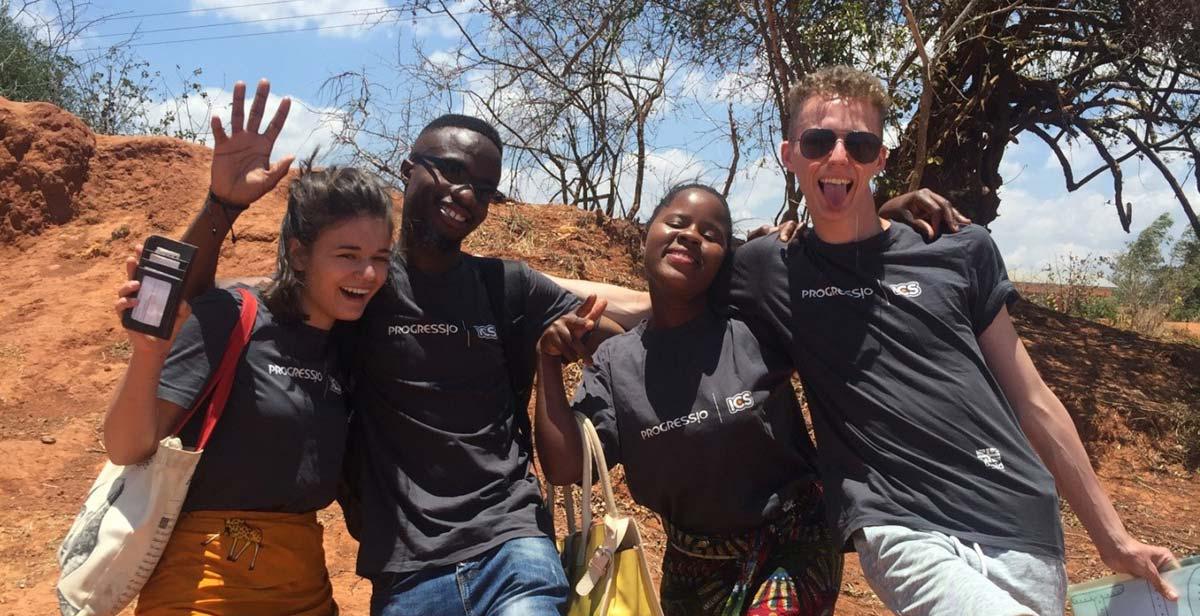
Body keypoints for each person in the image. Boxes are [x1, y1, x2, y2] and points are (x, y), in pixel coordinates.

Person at [573, 65, 1181, 615]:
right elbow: (661, 305)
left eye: (858, 144)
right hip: (896, 523)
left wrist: (1114, 539)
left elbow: (1033, 398)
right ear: (790, 154)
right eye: (818, 142)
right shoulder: (768, 268)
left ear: (880, 158)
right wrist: (516, 282)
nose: (838, 157)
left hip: (1018, 515)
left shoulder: (958, 248)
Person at [176, 80, 620, 616]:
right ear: (408, 171)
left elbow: (606, 335)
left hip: (513, 549)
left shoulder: (507, 287)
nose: (465, 195)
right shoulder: (355, 289)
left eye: (483, 188)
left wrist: (570, 343)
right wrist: (220, 206)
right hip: (404, 570)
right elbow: (195, 307)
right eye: (451, 171)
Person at [105, 143, 394, 615]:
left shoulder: (351, 346)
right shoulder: (234, 315)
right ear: (299, 255)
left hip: (305, 591)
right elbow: (126, 446)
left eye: (380, 257)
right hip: (203, 587)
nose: (367, 273)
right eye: (347, 254)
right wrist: (148, 354)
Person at [536, 183, 842, 616]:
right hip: (692, 570)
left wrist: (891, 213)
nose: (691, 235)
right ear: (647, 236)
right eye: (676, 223)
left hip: (795, 543)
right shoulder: (614, 364)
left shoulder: (754, 329)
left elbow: (849, 292)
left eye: (712, 234)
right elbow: (566, 467)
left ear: (725, 260)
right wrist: (547, 363)